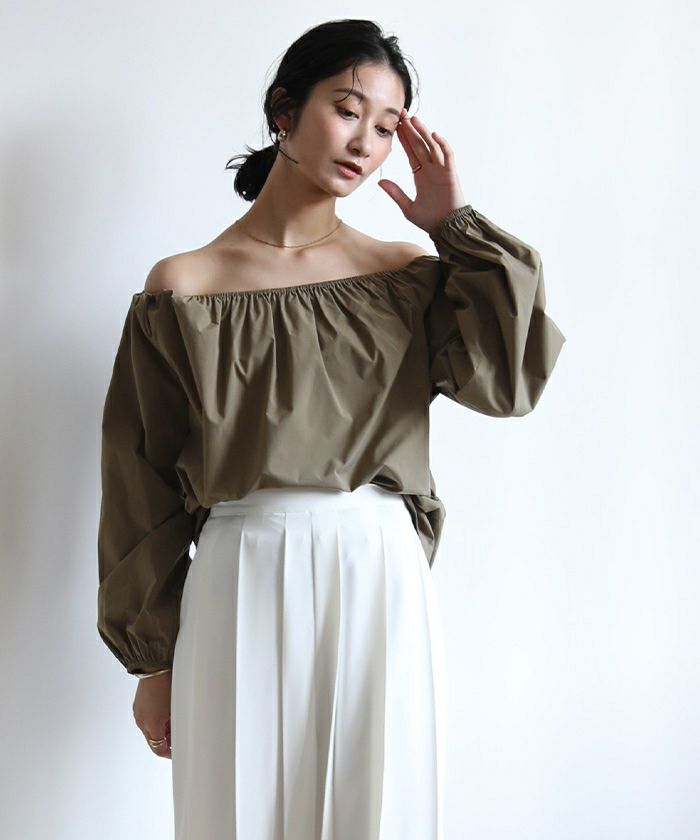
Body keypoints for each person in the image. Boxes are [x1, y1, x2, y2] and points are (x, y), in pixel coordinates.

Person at [97, 18, 566, 840]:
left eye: (386, 127)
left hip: (378, 566)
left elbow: (508, 381)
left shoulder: (405, 276)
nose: (364, 142)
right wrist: (154, 658)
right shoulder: (185, 287)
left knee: (379, 812)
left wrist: (453, 226)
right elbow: (141, 479)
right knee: (235, 812)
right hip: (239, 569)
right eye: (347, 110)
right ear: (285, 109)